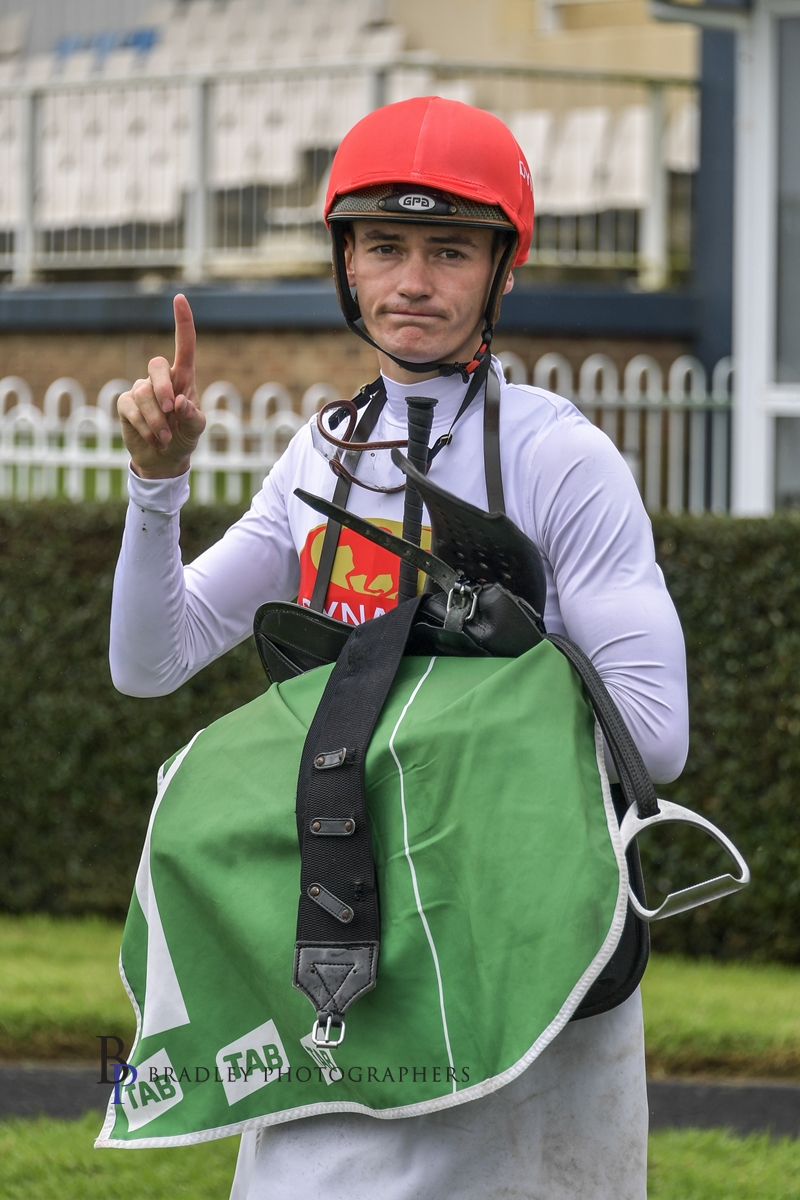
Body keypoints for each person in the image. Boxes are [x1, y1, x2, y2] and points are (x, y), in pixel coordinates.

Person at [110, 97, 688, 1200]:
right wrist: (157, 483)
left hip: (518, 941)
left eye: (449, 250)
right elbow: (151, 661)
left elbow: (655, 739)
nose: (412, 281)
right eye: (383, 246)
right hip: (343, 924)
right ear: (346, 263)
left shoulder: (562, 458)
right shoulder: (316, 461)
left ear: (501, 271)